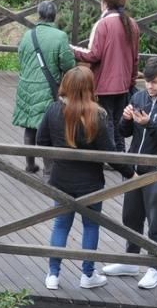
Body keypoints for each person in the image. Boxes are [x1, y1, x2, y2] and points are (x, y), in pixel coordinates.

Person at [37, 66, 129, 291]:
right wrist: (131, 173)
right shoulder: (97, 115)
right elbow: (110, 153)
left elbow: (41, 140)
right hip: (91, 182)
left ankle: (53, 274)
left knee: (60, 226)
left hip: (61, 179)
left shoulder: (54, 110)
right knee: (90, 226)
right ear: (89, 88)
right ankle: (88, 274)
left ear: (66, 86)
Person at [103, 57, 157, 290]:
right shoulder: (138, 97)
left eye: (155, 82)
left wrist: (150, 124)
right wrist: (126, 118)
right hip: (134, 169)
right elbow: (124, 132)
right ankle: (131, 261)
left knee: (156, 222)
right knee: (130, 217)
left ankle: (156, 267)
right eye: (147, 81)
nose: (150, 86)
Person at [71, 0, 139, 153]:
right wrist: (131, 80)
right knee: (118, 121)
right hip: (123, 84)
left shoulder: (103, 24)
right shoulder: (131, 24)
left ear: (104, 3)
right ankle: (120, 153)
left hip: (104, 84)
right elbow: (135, 57)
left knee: (105, 120)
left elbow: (93, 55)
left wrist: (70, 49)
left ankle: (110, 155)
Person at [12, 1, 75, 174]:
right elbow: (68, 64)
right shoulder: (60, 36)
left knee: (29, 127)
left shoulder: (27, 35)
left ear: (38, 14)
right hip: (47, 88)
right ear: (54, 15)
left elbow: (21, 58)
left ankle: (30, 164)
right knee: (47, 127)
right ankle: (49, 169)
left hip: (26, 85)